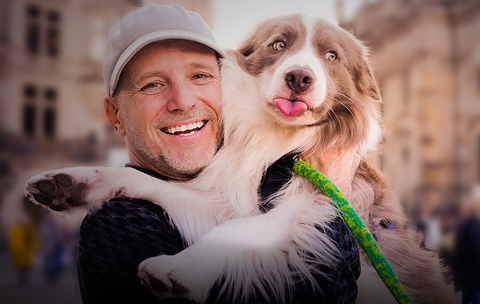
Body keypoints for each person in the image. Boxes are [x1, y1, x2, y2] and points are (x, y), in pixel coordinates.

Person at [77, 4, 360, 304]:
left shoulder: (263, 173)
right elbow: (320, 293)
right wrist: (335, 200)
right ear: (115, 114)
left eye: (199, 76)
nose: (183, 102)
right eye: (153, 84)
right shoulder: (115, 224)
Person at [8, 212, 38, 287]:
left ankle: (24, 281)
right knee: (20, 268)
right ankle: (20, 281)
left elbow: (33, 238)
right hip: (19, 252)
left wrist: (34, 247)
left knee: (26, 268)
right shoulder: (16, 228)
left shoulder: (30, 228)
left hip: (27, 252)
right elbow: (14, 240)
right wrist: (16, 249)